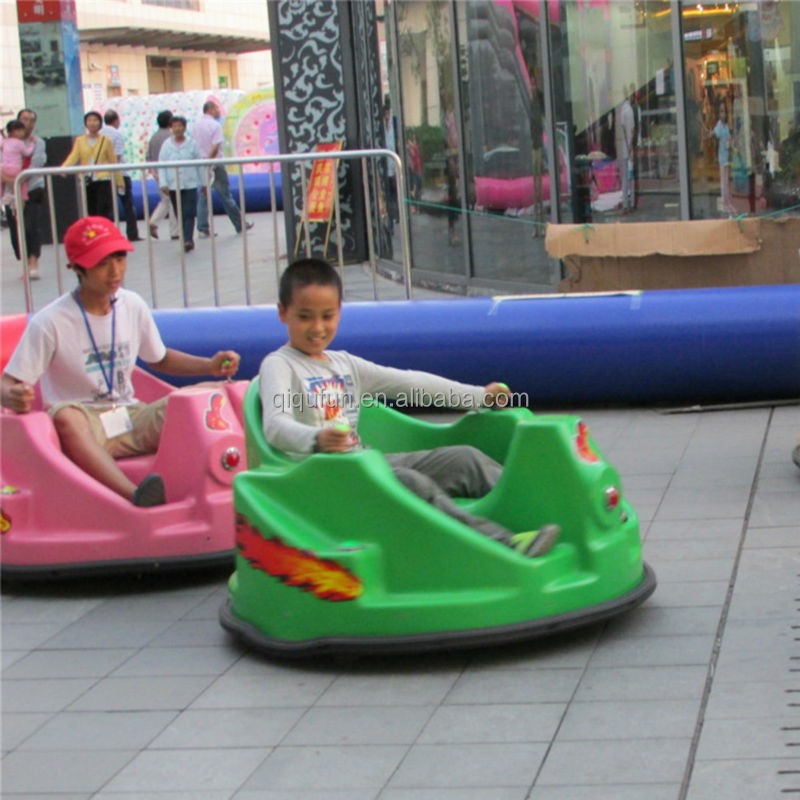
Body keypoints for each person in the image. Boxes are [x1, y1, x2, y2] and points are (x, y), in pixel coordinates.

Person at [259, 257, 561, 558]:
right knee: (410, 483)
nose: (317, 328)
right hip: (323, 482)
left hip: (366, 464)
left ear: (339, 312)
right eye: (305, 317)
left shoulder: (344, 363)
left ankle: (554, 515)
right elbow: (275, 425)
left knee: (465, 459)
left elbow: (410, 384)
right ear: (283, 313)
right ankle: (506, 546)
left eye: (327, 316)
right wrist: (316, 439)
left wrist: (478, 397)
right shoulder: (279, 364)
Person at [0, 216, 240, 507]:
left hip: (130, 415)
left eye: (120, 259)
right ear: (76, 268)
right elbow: (8, 382)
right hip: (84, 422)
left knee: (206, 397)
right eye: (102, 263)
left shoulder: (132, 304)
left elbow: (159, 358)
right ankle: (135, 496)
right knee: (65, 417)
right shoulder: (49, 322)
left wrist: (209, 366)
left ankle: (233, 484)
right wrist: (13, 396)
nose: (115, 272)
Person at [193, 100, 253, 237]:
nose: (219, 111)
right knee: (226, 195)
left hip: (200, 164)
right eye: (217, 108)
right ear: (210, 109)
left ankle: (202, 228)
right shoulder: (215, 125)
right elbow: (215, 147)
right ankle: (240, 224)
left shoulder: (196, 126)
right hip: (215, 164)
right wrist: (210, 162)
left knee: (203, 196)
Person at [62, 110, 123, 220]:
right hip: (87, 180)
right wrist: (64, 168)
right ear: (85, 123)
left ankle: (103, 234)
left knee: (102, 210)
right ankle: (94, 235)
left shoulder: (106, 140)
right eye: (89, 120)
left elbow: (113, 161)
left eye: (95, 120)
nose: (92, 123)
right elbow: (74, 156)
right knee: (91, 211)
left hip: (104, 179)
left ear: (100, 123)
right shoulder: (80, 140)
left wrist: (120, 182)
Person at [8, 108, 47, 279]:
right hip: (11, 193)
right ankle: (25, 263)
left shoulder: (37, 143)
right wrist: (10, 181)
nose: (28, 123)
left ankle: (33, 263)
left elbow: (35, 164)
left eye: (32, 120)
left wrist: (18, 179)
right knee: (17, 231)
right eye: (24, 119)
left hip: (33, 189)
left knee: (32, 227)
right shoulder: (6, 143)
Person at [158, 115, 202, 252]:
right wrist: (163, 183)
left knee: (189, 211)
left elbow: (199, 164)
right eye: (175, 126)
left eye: (180, 126)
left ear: (185, 127)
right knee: (179, 212)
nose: (177, 129)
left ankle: (188, 239)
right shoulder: (166, 145)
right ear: (171, 128)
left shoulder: (192, 144)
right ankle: (185, 236)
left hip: (190, 183)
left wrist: (204, 183)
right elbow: (162, 165)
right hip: (173, 184)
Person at [101, 109, 140, 241]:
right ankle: (132, 234)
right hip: (120, 174)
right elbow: (117, 156)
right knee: (128, 205)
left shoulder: (99, 134)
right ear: (117, 120)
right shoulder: (117, 134)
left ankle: (106, 234)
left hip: (104, 175)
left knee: (106, 207)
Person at [146, 109, 179, 241]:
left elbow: (148, 156)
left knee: (166, 200)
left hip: (157, 173)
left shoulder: (154, 137)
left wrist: (153, 171)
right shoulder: (170, 137)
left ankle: (154, 222)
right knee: (173, 201)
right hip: (168, 173)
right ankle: (175, 231)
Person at [706, 100, 736, 216]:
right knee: (723, 183)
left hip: (727, 157)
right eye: (721, 111)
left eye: (724, 111)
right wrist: (710, 133)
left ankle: (728, 203)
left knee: (727, 182)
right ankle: (725, 204)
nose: (723, 114)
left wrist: (731, 143)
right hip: (722, 158)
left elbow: (729, 138)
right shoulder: (719, 125)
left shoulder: (726, 125)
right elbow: (714, 133)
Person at [619, 89, 635, 214]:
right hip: (629, 147)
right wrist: (630, 145)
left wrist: (627, 145)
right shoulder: (630, 111)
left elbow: (624, 129)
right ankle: (632, 201)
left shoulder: (623, 111)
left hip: (625, 147)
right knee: (631, 175)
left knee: (625, 176)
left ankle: (626, 203)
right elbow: (632, 130)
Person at [405, 127, 422, 214]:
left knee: (417, 190)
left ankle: (416, 207)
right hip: (415, 171)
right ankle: (414, 207)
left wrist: (409, 145)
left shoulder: (415, 148)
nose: (413, 141)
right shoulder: (412, 148)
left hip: (417, 171)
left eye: (414, 139)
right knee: (415, 189)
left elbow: (413, 150)